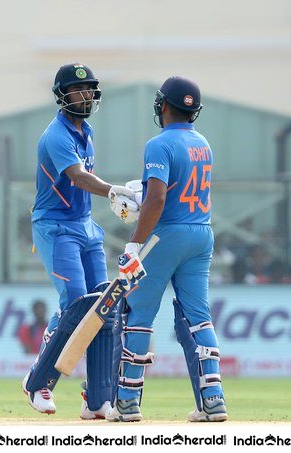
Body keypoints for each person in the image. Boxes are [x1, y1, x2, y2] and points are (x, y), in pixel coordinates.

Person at [107, 76, 227, 423]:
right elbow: (168, 191)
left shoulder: (158, 145)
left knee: (138, 313)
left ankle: (128, 401)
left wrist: (133, 243)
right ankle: (213, 399)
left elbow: (158, 198)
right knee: (198, 316)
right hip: (201, 232)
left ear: (164, 106)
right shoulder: (203, 143)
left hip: (166, 235)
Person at [21, 63, 138, 419]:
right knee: (76, 304)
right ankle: (38, 381)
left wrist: (109, 193)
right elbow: (78, 177)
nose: (86, 95)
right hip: (55, 228)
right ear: (62, 95)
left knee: (104, 305)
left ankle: (98, 398)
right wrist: (113, 191)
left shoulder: (85, 131)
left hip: (84, 226)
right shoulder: (55, 136)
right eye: (78, 90)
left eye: (89, 89)